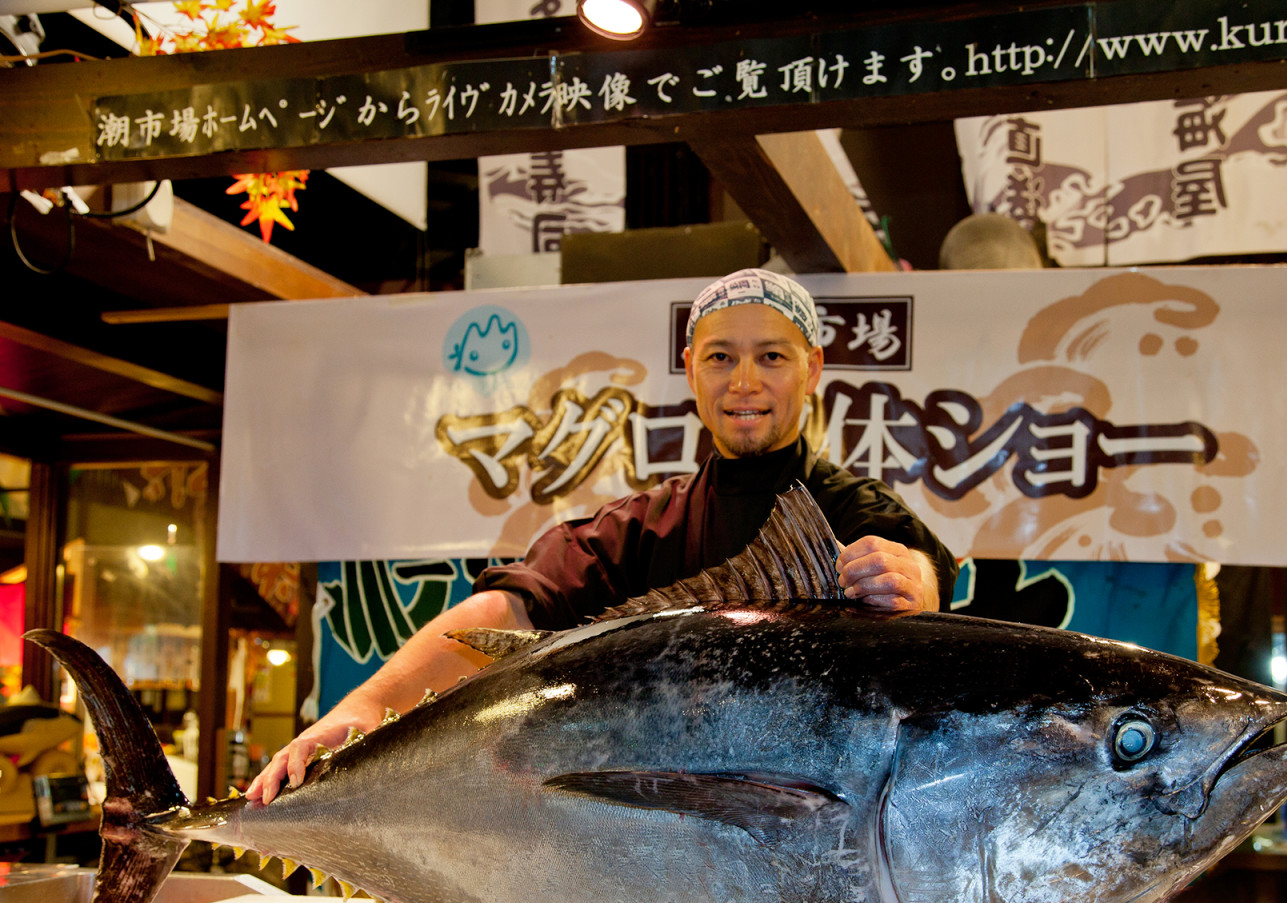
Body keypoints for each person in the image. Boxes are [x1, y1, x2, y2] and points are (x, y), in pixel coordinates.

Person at [248, 268, 957, 805]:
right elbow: (510, 610)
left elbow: (920, 570)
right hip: (644, 830)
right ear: (690, 369)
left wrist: (912, 583)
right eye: (720, 357)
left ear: (813, 370)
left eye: (772, 357)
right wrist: (365, 707)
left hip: (808, 824)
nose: (745, 380)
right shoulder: (644, 527)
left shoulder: (855, 510)